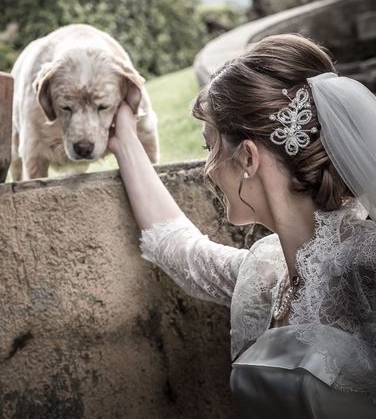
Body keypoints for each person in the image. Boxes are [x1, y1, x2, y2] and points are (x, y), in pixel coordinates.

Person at [108, 34, 376, 418]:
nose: (208, 170)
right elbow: (179, 248)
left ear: (248, 157)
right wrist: (125, 140)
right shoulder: (263, 275)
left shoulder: (367, 261)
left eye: (209, 148)